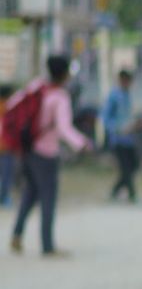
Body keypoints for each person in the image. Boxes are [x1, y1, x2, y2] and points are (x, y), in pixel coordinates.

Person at [9, 55, 90, 256]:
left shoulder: (37, 87)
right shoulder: (60, 97)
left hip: (27, 149)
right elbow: (64, 128)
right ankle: (47, 245)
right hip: (46, 152)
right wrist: (82, 143)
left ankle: (17, 235)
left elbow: (12, 105)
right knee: (48, 197)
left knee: (30, 193)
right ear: (65, 74)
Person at [103, 67, 140, 202]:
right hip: (118, 138)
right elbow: (105, 117)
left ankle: (116, 190)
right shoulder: (114, 96)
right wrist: (117, 128)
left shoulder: (127, 95)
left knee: (134, 165)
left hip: (129, 138)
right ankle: (132, 194)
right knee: (125, 167)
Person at [0, 80, 17, 206]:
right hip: (6, 147)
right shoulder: (9, 108)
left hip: (5, 146)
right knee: (6, 175)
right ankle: (4, 197)